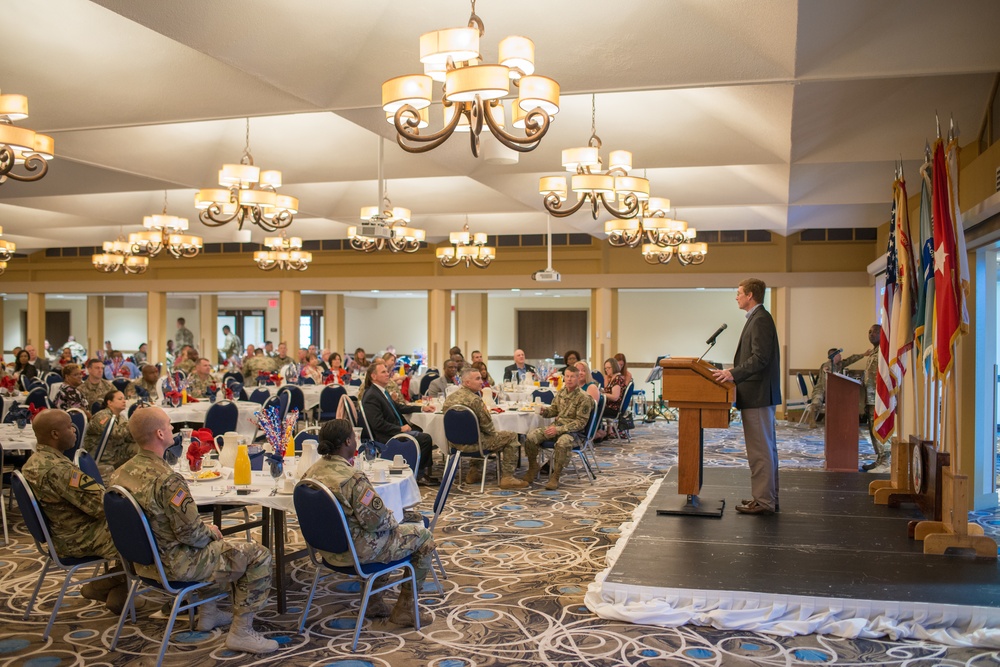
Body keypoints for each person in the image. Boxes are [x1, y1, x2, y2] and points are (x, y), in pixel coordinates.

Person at [111, 407, 278, 654]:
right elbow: (191, 536)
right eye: (169, 425)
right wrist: (210, 531)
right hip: (176, 565)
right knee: (258, 554)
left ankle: (208, 614)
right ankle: (241, 633)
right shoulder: (167, 479)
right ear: (159, 433)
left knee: (213, 543)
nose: (172, 429)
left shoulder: (119, 473)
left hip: (143, 563)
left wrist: (204, 531)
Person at [302, 419, 434, 627]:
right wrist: (395, 518)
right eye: (353, 437)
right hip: (356, 551)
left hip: (326, 551)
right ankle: (405, 609)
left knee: (394, 533)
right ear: (347, 442)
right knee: (422, 537)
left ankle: (374, 602)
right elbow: (378, 522)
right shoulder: (352, 478)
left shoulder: (310, 473)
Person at [22, 409, 131, 612]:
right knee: (148, 533)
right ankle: (100, 585)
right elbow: (102, 506)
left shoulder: (34, 462)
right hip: (79, 537)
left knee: (143, 527)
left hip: (65, 531)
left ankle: (119, 593)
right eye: (69, 426)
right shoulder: (59, 470)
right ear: (55, 434)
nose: (75, 430)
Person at [712, 278, 781, 516]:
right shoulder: (758, 318)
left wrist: (732, 373)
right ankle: (766, 497)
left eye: (739, 293)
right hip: (758, 393)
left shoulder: (760, 319)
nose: (736, 297)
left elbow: (759, 358)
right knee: (765, 449)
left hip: (758, 394)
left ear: (750, 295)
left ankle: (764, 501)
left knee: (760, 450)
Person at [443, 368, 528, 489]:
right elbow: (489, 428)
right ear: (467, 383)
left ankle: (474, 472)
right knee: (511, 436)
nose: (481, 382)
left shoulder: (450, 398)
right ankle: (507, 478)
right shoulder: (475, 400)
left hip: (454, 444)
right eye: (477, 379)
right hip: (475, 445)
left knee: (480, 434)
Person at [360, 360, 439, 486]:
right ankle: (418, 475)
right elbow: (377, 424)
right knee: (425, 438)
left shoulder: (381, 391)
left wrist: (421, 408)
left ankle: (419, 470)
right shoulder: (372, 395)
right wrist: (400, 429)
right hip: (387, 436)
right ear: (373, 376)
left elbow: (398, 407)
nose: (388, 374)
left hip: (395, 429)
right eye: (383, 372)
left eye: (387, 371)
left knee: (420, 430)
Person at [519, 365, 593, 490]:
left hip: (573, 433)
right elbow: (554, 410)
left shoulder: (584, 397)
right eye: (567, 376)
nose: (569, 379)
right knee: (531, 437)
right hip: (556, 427)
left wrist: (558, 430)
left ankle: (555, 475)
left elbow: (580, 423)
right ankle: (533, 467)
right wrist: (544, 411)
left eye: (572, 377)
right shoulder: (561, 392)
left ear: (578, 377)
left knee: (562, 443)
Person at [807, 346, 869, 428]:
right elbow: (825, 377)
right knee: (817, 401)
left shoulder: (839, 364)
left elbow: (850, 360)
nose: (840, 356)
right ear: (834, 356)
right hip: (821, 388)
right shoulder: (827, 365)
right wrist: (827, 373)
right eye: (839, 354)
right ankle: (812, 420)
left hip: (833, 389)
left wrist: (863, 354)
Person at [84, 389, 138, 471]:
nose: (124, 401)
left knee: (142, 448)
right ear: (109, 402)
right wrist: (133, 418)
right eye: (120, 399)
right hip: (101, 457)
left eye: (124, 399)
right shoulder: (102, 416)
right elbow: (116, 434)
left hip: (115, 452)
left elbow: (128, 438)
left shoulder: (121, 417)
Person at [860, 324, 884, 471]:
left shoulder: (884, 352)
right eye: (869, 332)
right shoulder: (873, 352)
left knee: (879, 428)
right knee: (872, 429)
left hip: (880, 399)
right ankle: (880, 458)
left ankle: (885, 459)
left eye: (875, 331)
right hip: (870, 398)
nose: (871, 334)